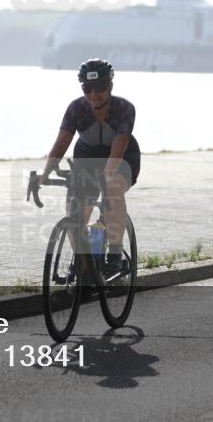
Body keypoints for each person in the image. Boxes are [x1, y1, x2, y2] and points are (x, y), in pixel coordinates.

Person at [39, 58, 140, 274]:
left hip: (122, 158)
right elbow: (61, 143)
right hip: (87, 157)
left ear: (110, 86)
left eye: (100, 87)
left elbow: (119, 147)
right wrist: (45, 172)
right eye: (87, 88)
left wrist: (108, 174)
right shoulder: (76, 109)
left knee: (112, 188)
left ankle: (114, 253)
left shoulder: (124, 109)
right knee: (76, 207)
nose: (94, 94)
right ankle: (82, 263)